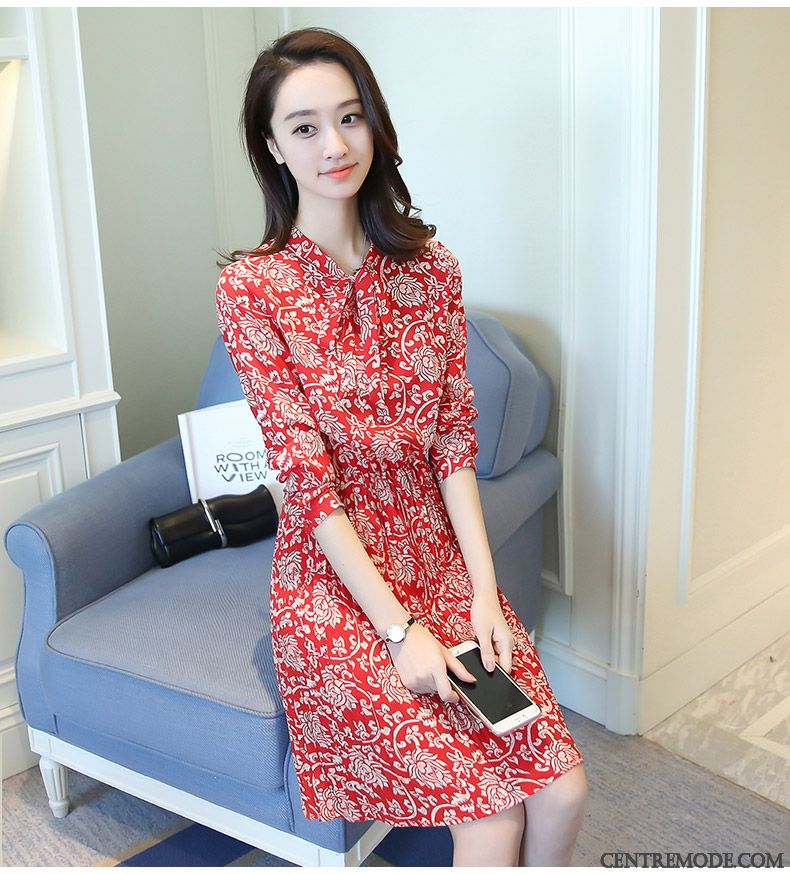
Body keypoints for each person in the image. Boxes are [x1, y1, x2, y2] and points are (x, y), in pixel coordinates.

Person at [215, 26, 588, 867]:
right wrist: (398, 630)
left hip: (437, 559)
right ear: (272, 146)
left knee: (563, 792)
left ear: (374, 123)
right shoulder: (253, 289)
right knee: (492, 819)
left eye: (350, 117)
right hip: (336, 586)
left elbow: (453, 445)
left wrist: (485, 593)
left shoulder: (431, 270)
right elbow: (307, 485)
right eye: (305, 126)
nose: (335, 144)